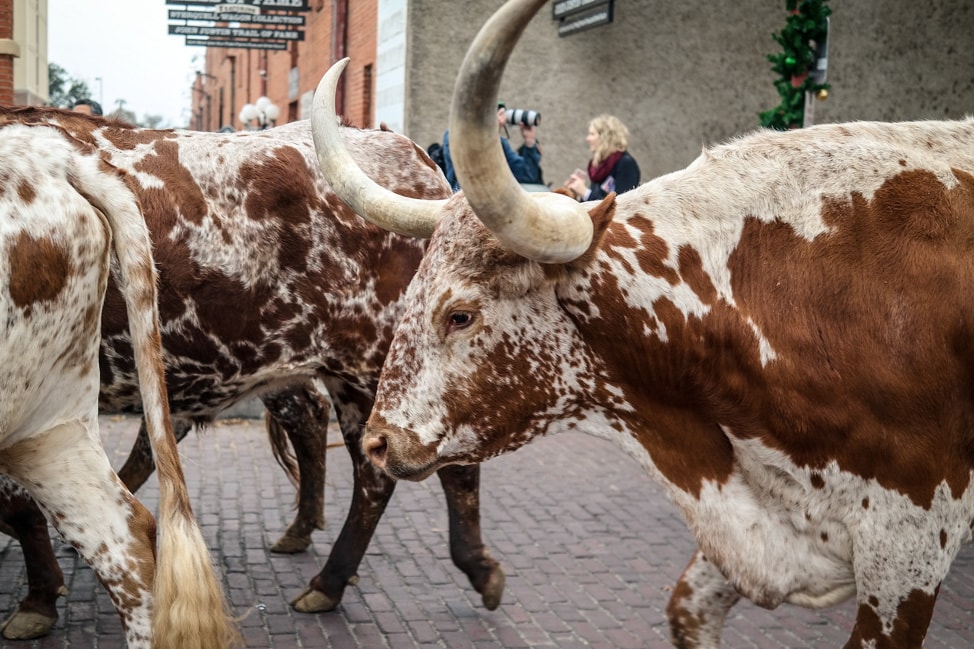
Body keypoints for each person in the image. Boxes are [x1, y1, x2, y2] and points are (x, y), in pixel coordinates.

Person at [442, 104, 542, 192]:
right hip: (463, 199)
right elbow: (470, 172)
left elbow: (527, 176)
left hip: (495, 204)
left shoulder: (500, 142)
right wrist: (489, 133)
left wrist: (529, 141)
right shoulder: (455, 134)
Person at [563, 114, 640, 201]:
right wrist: (576, 193)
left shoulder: (626, 164)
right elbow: (595, 202)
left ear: (606, 138)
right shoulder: (601, 166)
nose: (587, 139)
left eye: (592, 134)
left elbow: (620, 206)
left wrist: (585, 192)